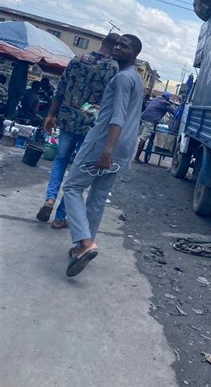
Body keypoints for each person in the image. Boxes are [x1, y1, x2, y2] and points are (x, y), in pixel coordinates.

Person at [63, 34, 144, 277]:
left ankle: (86, 242)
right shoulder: (136, 79)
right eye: (117, 44)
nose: (118, 48)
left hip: (103, 144)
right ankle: (82, 248)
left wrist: (106, 150)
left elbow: (117, 117)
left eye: (124, 46)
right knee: (98, 196)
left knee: (72, 188)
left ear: (135, 53)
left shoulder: (121, 78)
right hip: (123, 147)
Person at [36, 33, 119, 228]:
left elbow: (61, 89)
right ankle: (60, 217)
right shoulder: (113, 69)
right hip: (92, 126)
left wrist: (50, 114)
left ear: (102, 44)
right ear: (115, 48)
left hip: (67, 119)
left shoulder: (77, 60)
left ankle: (50, 198)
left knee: (60, 160)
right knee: (78, 170)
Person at [134, 91, 176, 163]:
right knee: (143, 138)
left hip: (143, 117)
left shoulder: (156, 99)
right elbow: (175, 112)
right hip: (150, 121)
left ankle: (138, 155)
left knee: (143, 136)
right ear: (168, 98)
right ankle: (136, 158)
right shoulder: (165, 103)